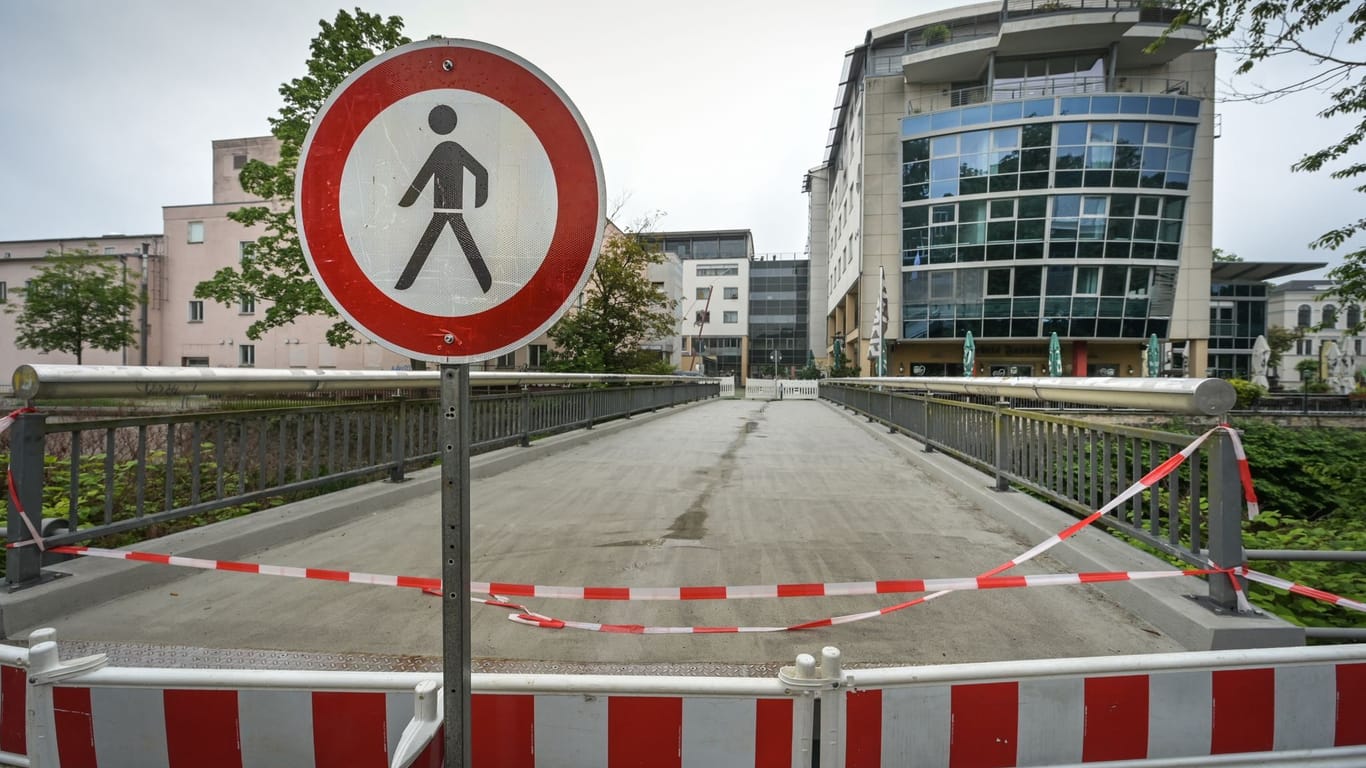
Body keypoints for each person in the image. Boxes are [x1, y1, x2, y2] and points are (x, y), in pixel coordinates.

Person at [395, 105, 492, 292]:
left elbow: (480, 172)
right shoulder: (448, 149)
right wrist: (479, 199)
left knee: (442, 243)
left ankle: (404, 282)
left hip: (450, 210)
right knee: (455, 242)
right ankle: (485, 281)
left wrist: (408, 200)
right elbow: (481, 173)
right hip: (445, 210)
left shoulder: (447, 149)